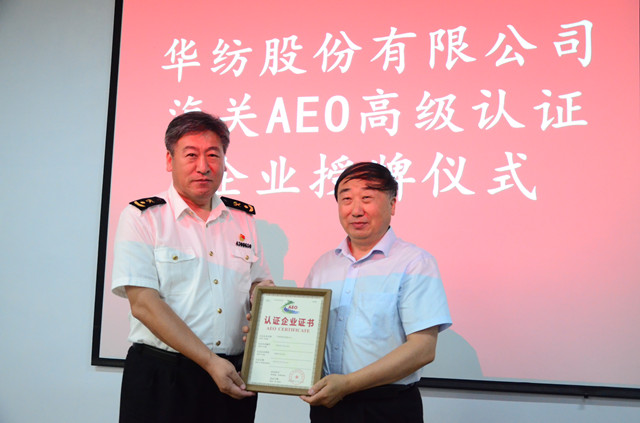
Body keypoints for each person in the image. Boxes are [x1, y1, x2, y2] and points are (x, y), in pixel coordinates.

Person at [111, 111, 274, 423]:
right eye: (191, 155)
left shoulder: (243, 220)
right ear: (169, 160)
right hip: (164, 377)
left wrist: (264, 305)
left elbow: (259, 283)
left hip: (233, 375)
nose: (204, 166)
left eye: (213, 155)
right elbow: (143, 304)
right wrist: (210, 362)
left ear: (225, 161)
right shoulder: (143, 217)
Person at [301, 162, 452, 423]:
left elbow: (423, 349)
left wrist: (347, 384)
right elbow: (305, 333)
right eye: (346, 199)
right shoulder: (323, 266)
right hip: (329, 405)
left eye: (367, 198)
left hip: (387, 408)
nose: (356, 210)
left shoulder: (415, 263)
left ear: (392, 205)